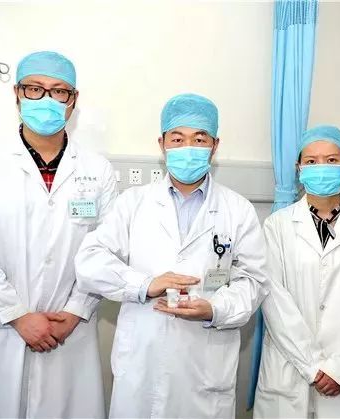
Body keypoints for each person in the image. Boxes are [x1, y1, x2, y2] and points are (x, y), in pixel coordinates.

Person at [75, 93, 268, 418]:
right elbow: (90, 261)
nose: (188, 147)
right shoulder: (133, 203)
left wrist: (215, 308)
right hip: (143, 361)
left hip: (204, 365)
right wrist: (144, 284)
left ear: (215, 146)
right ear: (162, 144)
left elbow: (254, 281)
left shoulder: (238, 210)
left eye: (199, 139)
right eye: (177, 139)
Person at [0, 51, 117, 418]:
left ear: (73, 100)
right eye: (34, 89)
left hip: (69, 330)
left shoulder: (97, 170)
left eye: (58, 91)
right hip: (3, 328)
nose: (46, 99)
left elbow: (105, 252)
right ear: (17, 93)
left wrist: (76, 311)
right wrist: (17, 315)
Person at [254, 125, 340, 418]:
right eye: (312, 161)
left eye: (331, 160)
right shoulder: (277, 227)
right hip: (291, 373)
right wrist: (313, 366)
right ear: (298, 168)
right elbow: (275, 304)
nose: (321, 168)